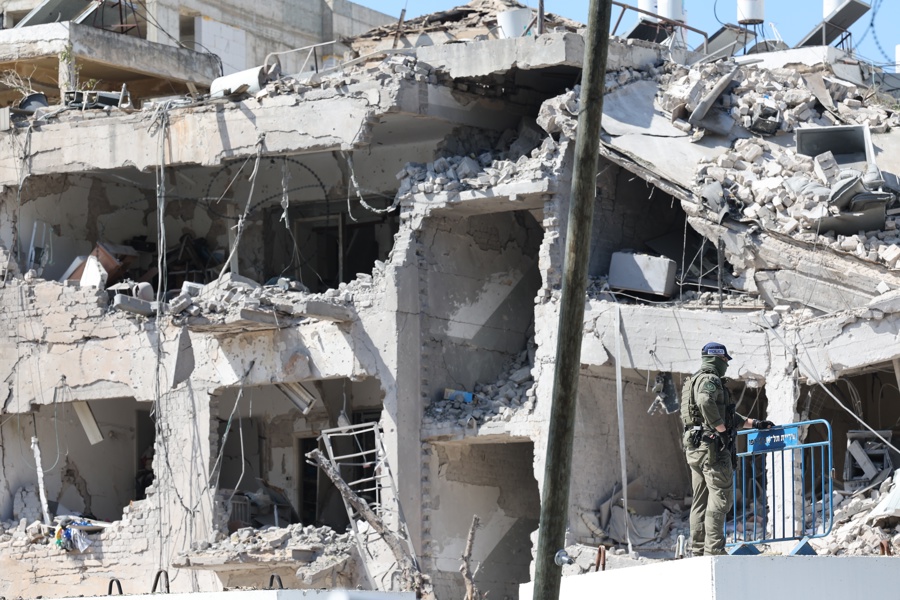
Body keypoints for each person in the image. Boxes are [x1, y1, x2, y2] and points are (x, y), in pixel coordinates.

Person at [680, 342, 774, 556]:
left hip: (696, 447)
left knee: (700, 500)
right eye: (725, 361)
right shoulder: (710, 380)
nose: (726, 366)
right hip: (712, 448)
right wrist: (721, 431)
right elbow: (706, 403)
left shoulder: (693, 381)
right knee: (719, 498)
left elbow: (727, 416)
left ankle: (698, 550)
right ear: (718, 359)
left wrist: (755, 423)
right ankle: (713, 551)